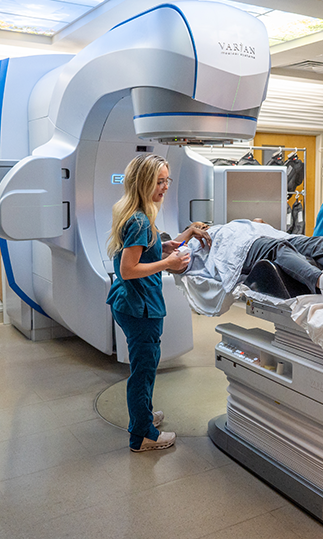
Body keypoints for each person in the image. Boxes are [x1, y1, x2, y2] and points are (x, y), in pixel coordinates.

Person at [105, 154, 210, 453]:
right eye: (159, 181)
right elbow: (128, 269)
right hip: (140, 308)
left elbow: (142, 251)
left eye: (167, 181)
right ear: (143, 183)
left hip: (129, 302)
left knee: (145, 367)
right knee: (144, 371)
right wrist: (168, 262)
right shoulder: (139, 220)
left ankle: (144, 415)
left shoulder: (136, 213)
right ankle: (142, 435)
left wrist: (181, 237)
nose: (164, 187)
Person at [173, 219, 323, 317]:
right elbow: (172, 255)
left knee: (316, 242)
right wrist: (189, 232)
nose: (204, 224)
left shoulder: (231, 223)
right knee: (278, 250)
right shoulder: (195, 243)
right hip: (240, 251)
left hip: (263, 237)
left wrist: (256, 224)